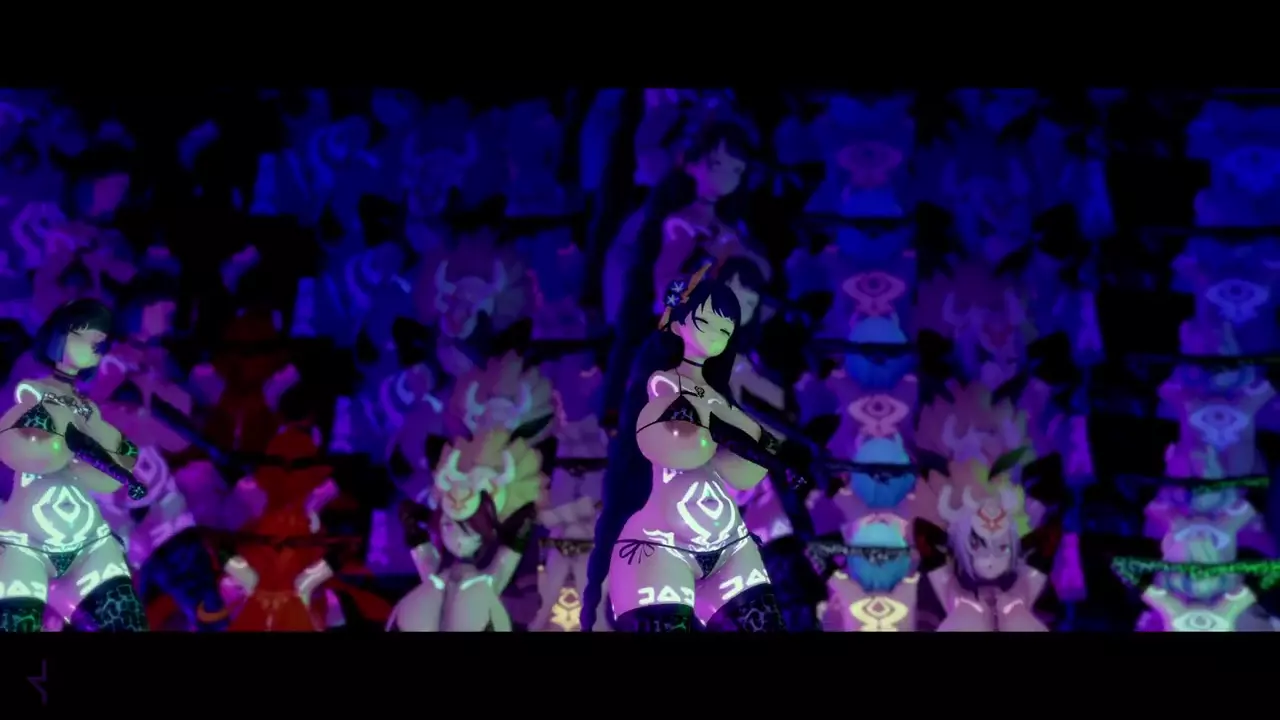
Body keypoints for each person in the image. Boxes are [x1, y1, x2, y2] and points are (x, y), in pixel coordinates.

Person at [580, 269, 792, 632]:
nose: (717, 332)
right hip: (659, 519)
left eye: (726, 326)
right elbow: (676, 434)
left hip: (719, 529)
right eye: (707, 320)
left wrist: (767, 447)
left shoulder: (721, 382)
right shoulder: (663, 372)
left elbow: (748, 444)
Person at [0, 299, 149, 632]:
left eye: (101, 338)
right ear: (59, 336)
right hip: (27, 541)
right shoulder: (32, 391)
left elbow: (116, 460)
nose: (98, 342)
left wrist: (106, 460)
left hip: (87, 538)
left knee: (128, 623)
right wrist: (67, 450)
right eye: (86, 333)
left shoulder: (87, 407)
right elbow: (15, 445)